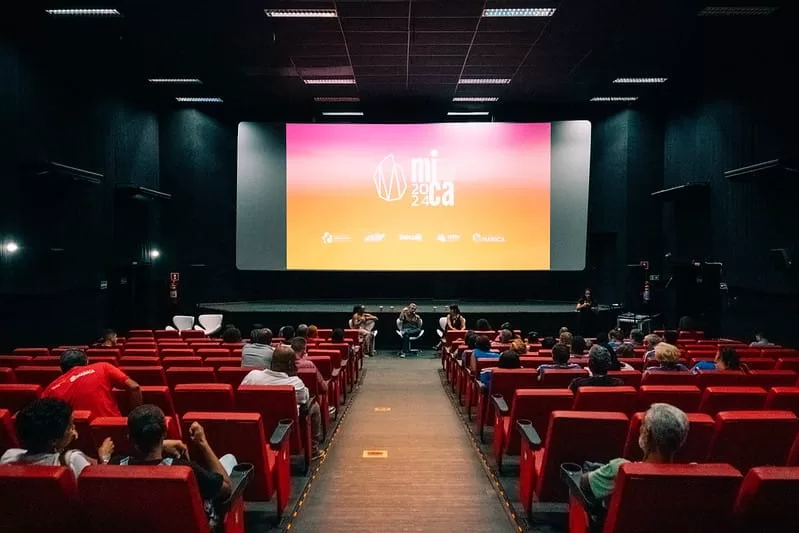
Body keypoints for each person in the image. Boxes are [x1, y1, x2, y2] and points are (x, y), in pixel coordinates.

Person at [111, 404, 235, 530]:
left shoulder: (115, 467)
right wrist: (203, 444)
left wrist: (161, 444)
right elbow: (227, 489)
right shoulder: (184, 470)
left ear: (129, 437)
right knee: (229, 459)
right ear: (164, 433)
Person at [581, 403, 689, 504]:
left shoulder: (621, 469)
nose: (640, 429)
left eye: (643, 425)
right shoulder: (689, 479)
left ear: (647, 435)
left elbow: (581, 485)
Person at [241, 347, 323, 459]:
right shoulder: (294, 383)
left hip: (255, 427)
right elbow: (305, 398)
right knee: (314, 406)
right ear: (290, 364)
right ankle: (314, 450)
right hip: (283, 427)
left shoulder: (252, 375)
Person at [1, 398, 114, 477]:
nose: (74, 428)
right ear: (54, 440)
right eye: (70, 426)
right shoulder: (72, 460)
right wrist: (104, 457)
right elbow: (97, 483)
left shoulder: (8, 457)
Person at [43, 349, 141, 417]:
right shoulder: (103, 367)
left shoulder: (50, 389)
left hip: (73, 441)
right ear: (87, 362)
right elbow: (135, 387)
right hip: (111, 429)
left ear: (61, 368)